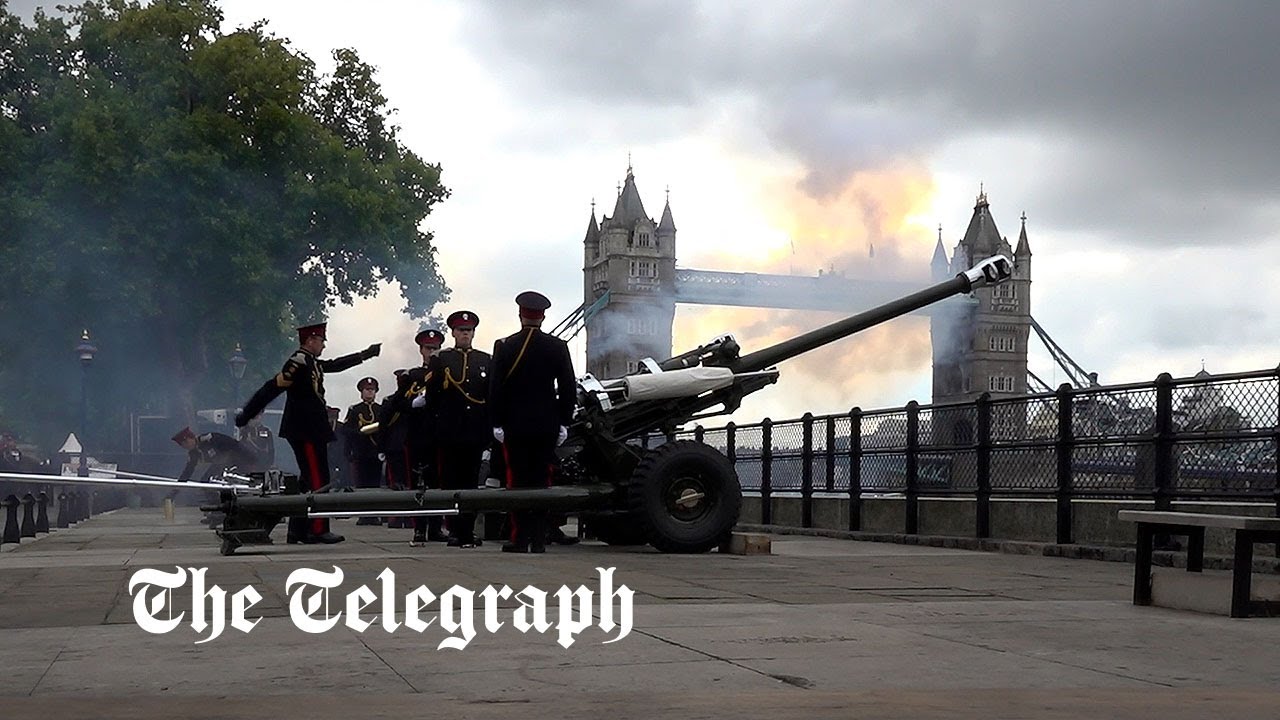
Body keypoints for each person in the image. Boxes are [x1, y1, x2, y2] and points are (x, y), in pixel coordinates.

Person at [236, 321, 380, 544]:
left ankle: (297, 530)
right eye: (321, 341)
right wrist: (247, 414)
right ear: (311, 340)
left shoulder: (311, 362)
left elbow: (334, 365)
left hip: (311, 429)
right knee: (318, 478)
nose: (323, 346)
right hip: (305, 429)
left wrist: (364, 355)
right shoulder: (298, 361)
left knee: (306, 481)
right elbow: (272, 388)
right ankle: (317, 528)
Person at [488, 291, 576, 553]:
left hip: (514, 426)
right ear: (543, 316)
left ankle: (519, 538)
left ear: (520, 314)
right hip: (546, 426)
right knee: (542, 481)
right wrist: (564, 422)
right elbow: (568, 388)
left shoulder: (505, 346)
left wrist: (496, 423)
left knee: (517, 482)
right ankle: (539, 539)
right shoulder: (558, 347)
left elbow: (495, 389)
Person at [424, 310, 491, 548]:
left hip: (475, 432)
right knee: (451, 482)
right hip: (450, 431)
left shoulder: (485, 360)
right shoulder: (441, 359)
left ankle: (468, 530)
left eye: (469, 330)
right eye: (462, 330)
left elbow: (489, 397)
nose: (465, 334)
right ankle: (454, 529)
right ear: (453, 332)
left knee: (471, 483)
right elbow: (432, 398)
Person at [407, 328, 447, 546]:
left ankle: (436, 527)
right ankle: (419, 528)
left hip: (438, 434)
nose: (432, 352)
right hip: (418, 436)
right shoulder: (412, 375)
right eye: (428, 348)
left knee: (437, 483)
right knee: (419, 484)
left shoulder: (446, 372)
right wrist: (412, 403)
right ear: (421, 350)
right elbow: (400, 405)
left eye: (435, 348)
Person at [342, 376, 382, 525]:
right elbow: (346, 430)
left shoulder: (380, 409)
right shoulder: (355, 410)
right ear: (361, 392)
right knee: (362, 484)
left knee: (375, 484)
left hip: (375, 452)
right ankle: (364, 514)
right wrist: (351, 447)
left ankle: (374, 514)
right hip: (361, 451)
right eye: (367, 390)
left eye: (372, 390)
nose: (369, 393)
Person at [172, 427, 258, 483]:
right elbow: (188, 471)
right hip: (221, 465)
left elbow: (233, 445)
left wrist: (251, 459)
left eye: (185, 444)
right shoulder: (194, 453)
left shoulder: (209, 439)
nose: (185, 447)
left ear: (190, 439)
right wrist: (175, 490)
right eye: (183, 446)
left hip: (240, 460)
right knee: (205, 482)